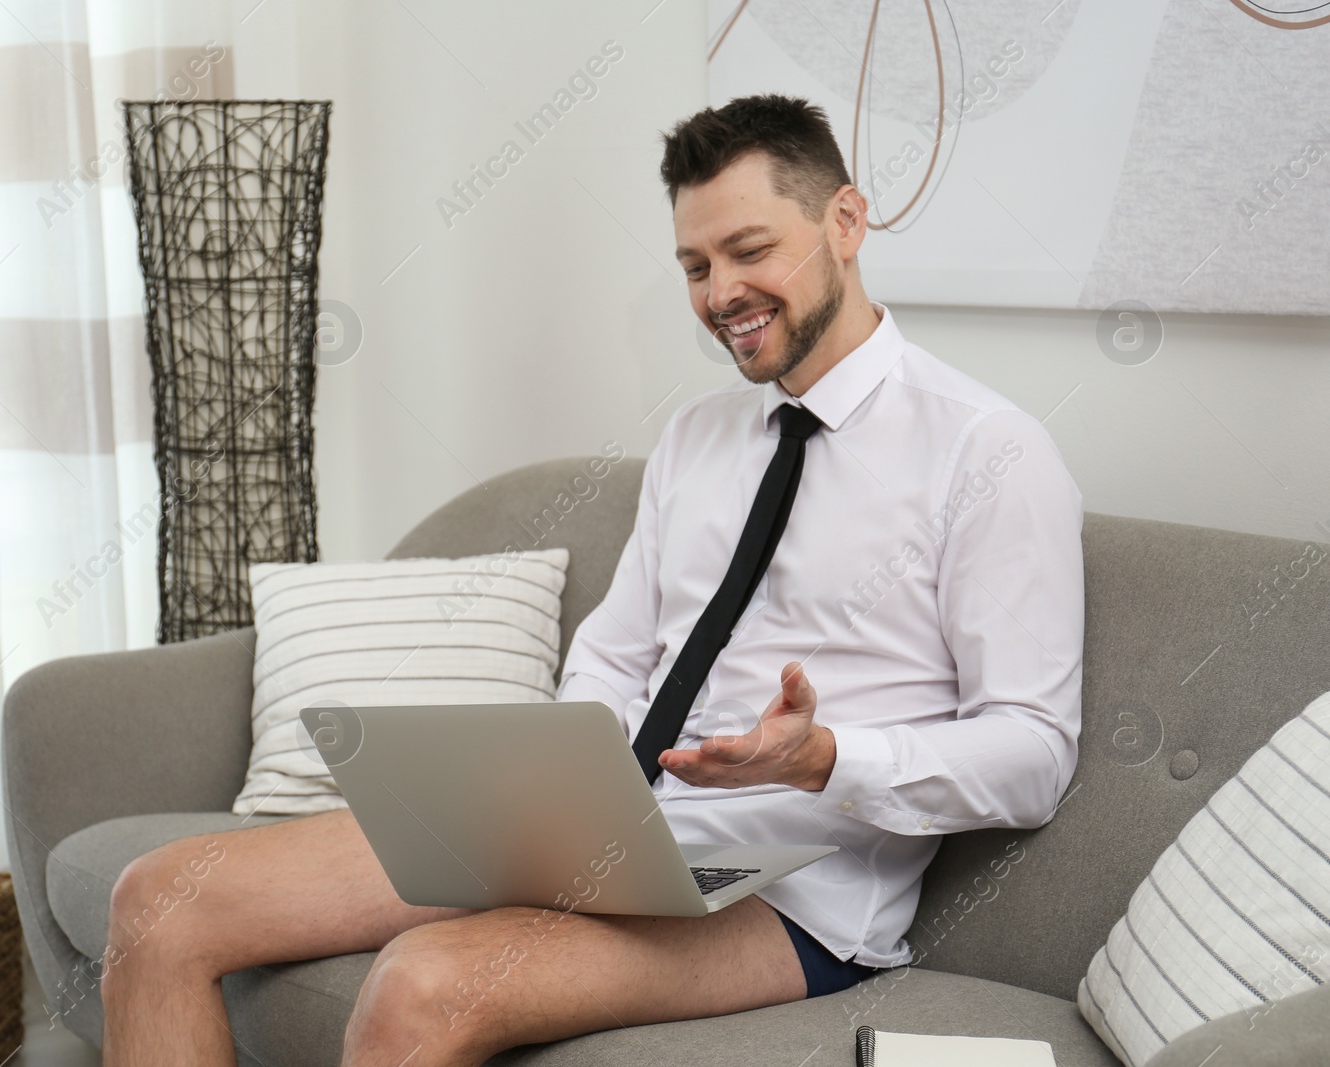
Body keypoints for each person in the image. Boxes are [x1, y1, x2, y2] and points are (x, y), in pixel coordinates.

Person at [99, 93, 1085, 1067]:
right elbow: (614, 653)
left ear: (845, 219)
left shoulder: (987, 451)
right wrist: (566, 788)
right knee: (159, 898)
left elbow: (1033, 753)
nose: (718, 294)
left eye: (748, 251)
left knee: (421, 983)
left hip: (789, 890)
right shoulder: (700, 436)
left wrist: (822, 754)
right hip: (607, 830)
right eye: (694, 266)